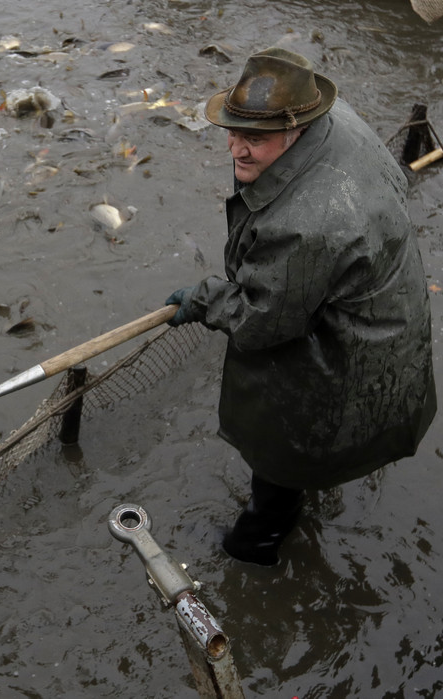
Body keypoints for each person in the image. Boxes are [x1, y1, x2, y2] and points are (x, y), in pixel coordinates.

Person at [165, 47, 437, 566]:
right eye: (234, 131)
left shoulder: (304, 226)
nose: (235, 150)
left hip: (348, 353)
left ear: (295, 131)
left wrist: (203, 299)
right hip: (386, 314)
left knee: (284, 457)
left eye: (255, 140)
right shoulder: (339, 118)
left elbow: (262, 321)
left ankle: (255, 549)